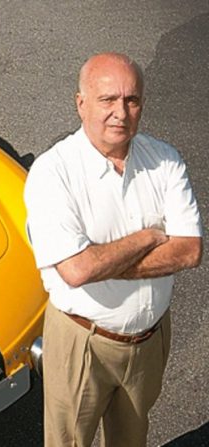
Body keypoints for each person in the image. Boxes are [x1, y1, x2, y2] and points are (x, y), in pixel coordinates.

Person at [23, 52, 203, 447]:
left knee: (132, 440)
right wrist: (149, 237)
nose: (120, 113)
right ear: (81, 103)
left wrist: (99, 261)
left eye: (131, 100)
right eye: (107, 100)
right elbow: (76, 271)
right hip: (82, 343)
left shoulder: (165, 160)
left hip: (149, 341)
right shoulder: (53, 173)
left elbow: (189, 251)